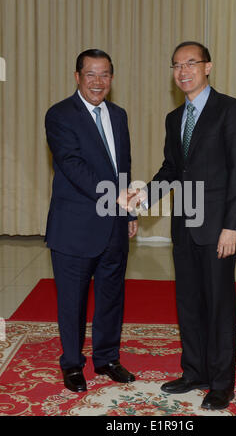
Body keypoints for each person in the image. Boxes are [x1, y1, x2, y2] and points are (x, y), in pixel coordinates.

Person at [121, 41, 236, 410]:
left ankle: (221, 384)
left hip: (218, 229)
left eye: (191, 63)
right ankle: (194, 370)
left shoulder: (232, 110)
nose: (183, 71)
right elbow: (172, 170)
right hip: (185, 225)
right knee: (189, 303)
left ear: (207, 67)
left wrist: (232, 226)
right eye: (177, 65)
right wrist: (143, 197)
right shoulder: (174, 118)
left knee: (219, 304)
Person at [45, 49, 137, 392]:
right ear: (77, 77)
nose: (98, 82)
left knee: (112, 295)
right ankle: (71, 363)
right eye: (91, 75)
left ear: (112, 78)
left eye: (105, 75)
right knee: (73, 300)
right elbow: (71, 164)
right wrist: (113, 195)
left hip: (114, 224)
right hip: (74, 227)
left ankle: (108, 358)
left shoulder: (119, 114)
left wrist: (127, 211)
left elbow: (123, 166)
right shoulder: (60, 114)